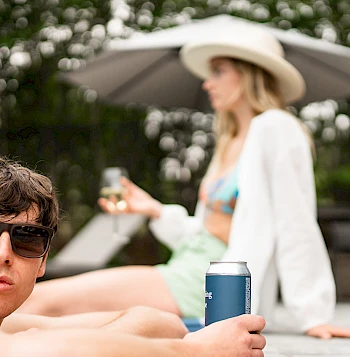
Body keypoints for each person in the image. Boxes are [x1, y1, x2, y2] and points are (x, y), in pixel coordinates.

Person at [20, 24, 350, 340]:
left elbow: (295, 220)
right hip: (190, 267)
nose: (208, 83)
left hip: (213, 280)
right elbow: (206, 231)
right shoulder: (230, 141)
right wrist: (154, 210)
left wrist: (313, 313)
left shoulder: (276, 127)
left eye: (219, 71)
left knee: (43, 301)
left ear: (250, 73)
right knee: (45, 312)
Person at [0, 156, 266, 357]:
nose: (4, 254)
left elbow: (164, 325)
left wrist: (72, 348)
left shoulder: (11, 326)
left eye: (27, 238)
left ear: (44, 259)